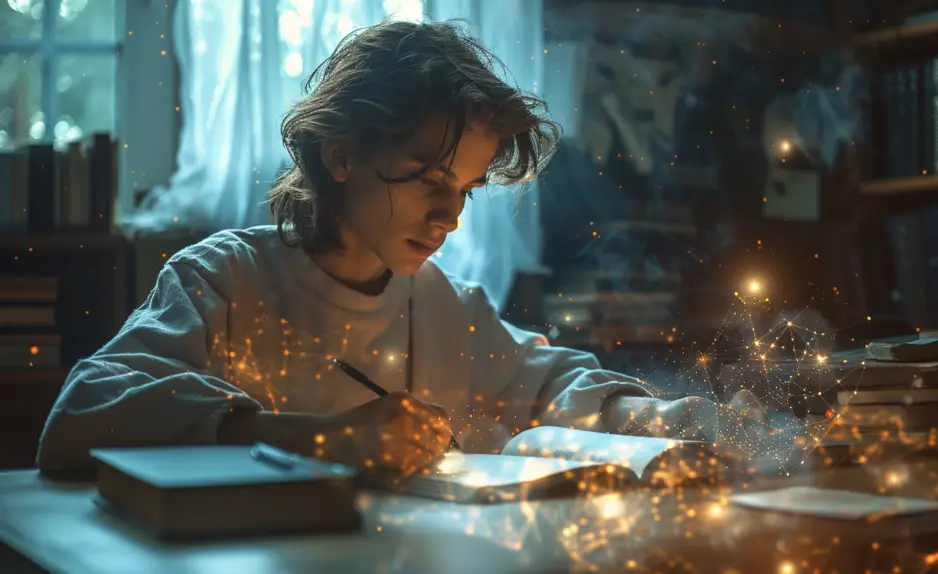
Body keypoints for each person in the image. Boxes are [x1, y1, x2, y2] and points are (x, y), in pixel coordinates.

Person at [36, 20, 770, 474]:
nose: (450, 212)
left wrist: (678, 423)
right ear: (340, 154)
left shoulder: (439, 303)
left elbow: (549, 384)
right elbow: (82, 414)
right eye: (426, 177)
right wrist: (319, 439)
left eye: (466, 186)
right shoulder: (225, 277)